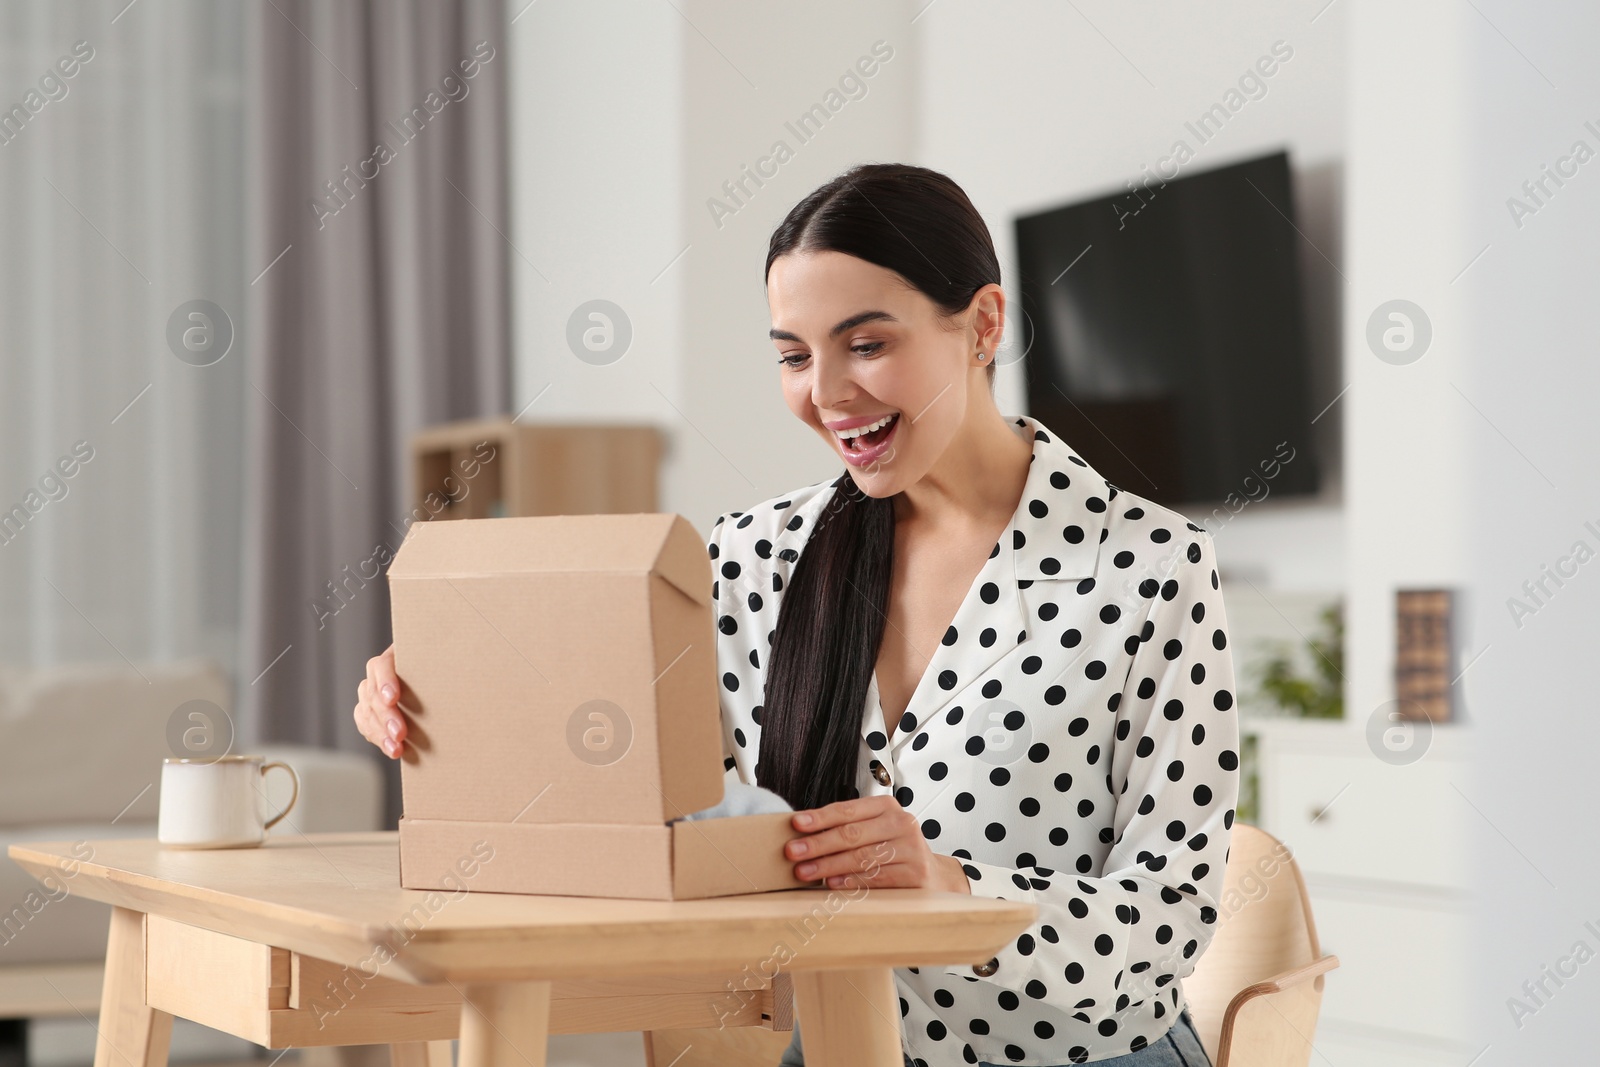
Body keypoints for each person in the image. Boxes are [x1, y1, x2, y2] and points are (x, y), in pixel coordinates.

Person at [354, 162, 1237, 1067]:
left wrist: (956, 890)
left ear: (982, 325)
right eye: (792, 355)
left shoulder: (1148, 569)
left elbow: (1166, 923)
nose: (826, 392)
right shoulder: (753, 557)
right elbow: (627, 778)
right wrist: (449, 689)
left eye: (865, 344)